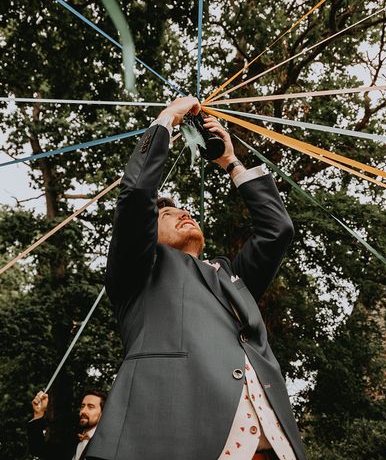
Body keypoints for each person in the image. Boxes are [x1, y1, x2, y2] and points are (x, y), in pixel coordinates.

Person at [86, 96, 305, 460]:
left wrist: (229, 161)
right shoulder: (136, 273)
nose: (183, 212)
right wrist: (167, 119)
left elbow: (277, 230)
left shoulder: (232, 276)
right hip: (178, 439)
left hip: (270, 446)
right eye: (168, 213)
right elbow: (138, 194)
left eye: (183, 209)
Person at [28, 389, 107, 460]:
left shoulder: (107, 445)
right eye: (82, 406)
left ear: (103, 413)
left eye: (90, 407)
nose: (83, 411)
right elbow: (39, 449)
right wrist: (38, 414)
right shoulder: (71, 439)